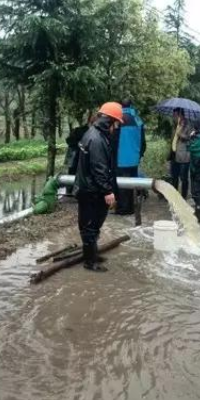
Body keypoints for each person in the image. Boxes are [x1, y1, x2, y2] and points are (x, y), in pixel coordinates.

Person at [74, 102, 123, 272]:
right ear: (109, 121)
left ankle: (92, 254)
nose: (116, 127)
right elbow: (99, 168)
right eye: (116, 123)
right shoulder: (96, 139)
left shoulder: (94, 134)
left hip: (90, 189)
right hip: (91, 191)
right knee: (90, 227)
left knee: (93, 226)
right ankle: (90, 262)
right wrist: (107, 191)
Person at [113, 99, 146, 215]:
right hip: (134, 158)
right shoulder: (138, 119)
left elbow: (114, 140)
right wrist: (140, 154)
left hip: (121, 158)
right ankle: (131, 208)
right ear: (131, 105)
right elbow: (143, 141)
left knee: (122, 185)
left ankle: (123, 209)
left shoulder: (119, 119)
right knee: (132, 184)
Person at [170, 108, 192, 199]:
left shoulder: (188, 125)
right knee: (174, 177)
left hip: (184, 156)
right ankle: (175, 196)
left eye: (175, 115)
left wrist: (180, 134)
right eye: (173, 115)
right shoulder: (175, 125)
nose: (173, 117)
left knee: (184, 178)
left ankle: (183, 196)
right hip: (174, 154)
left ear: (180, 115)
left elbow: (189, 138)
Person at [64, 121, 89, 195]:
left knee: (72, 174)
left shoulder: (76, 133)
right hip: (75, 159)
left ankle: (70, 192)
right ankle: (70, 192)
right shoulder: (81, 132)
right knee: (73, 174)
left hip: (73, 160)